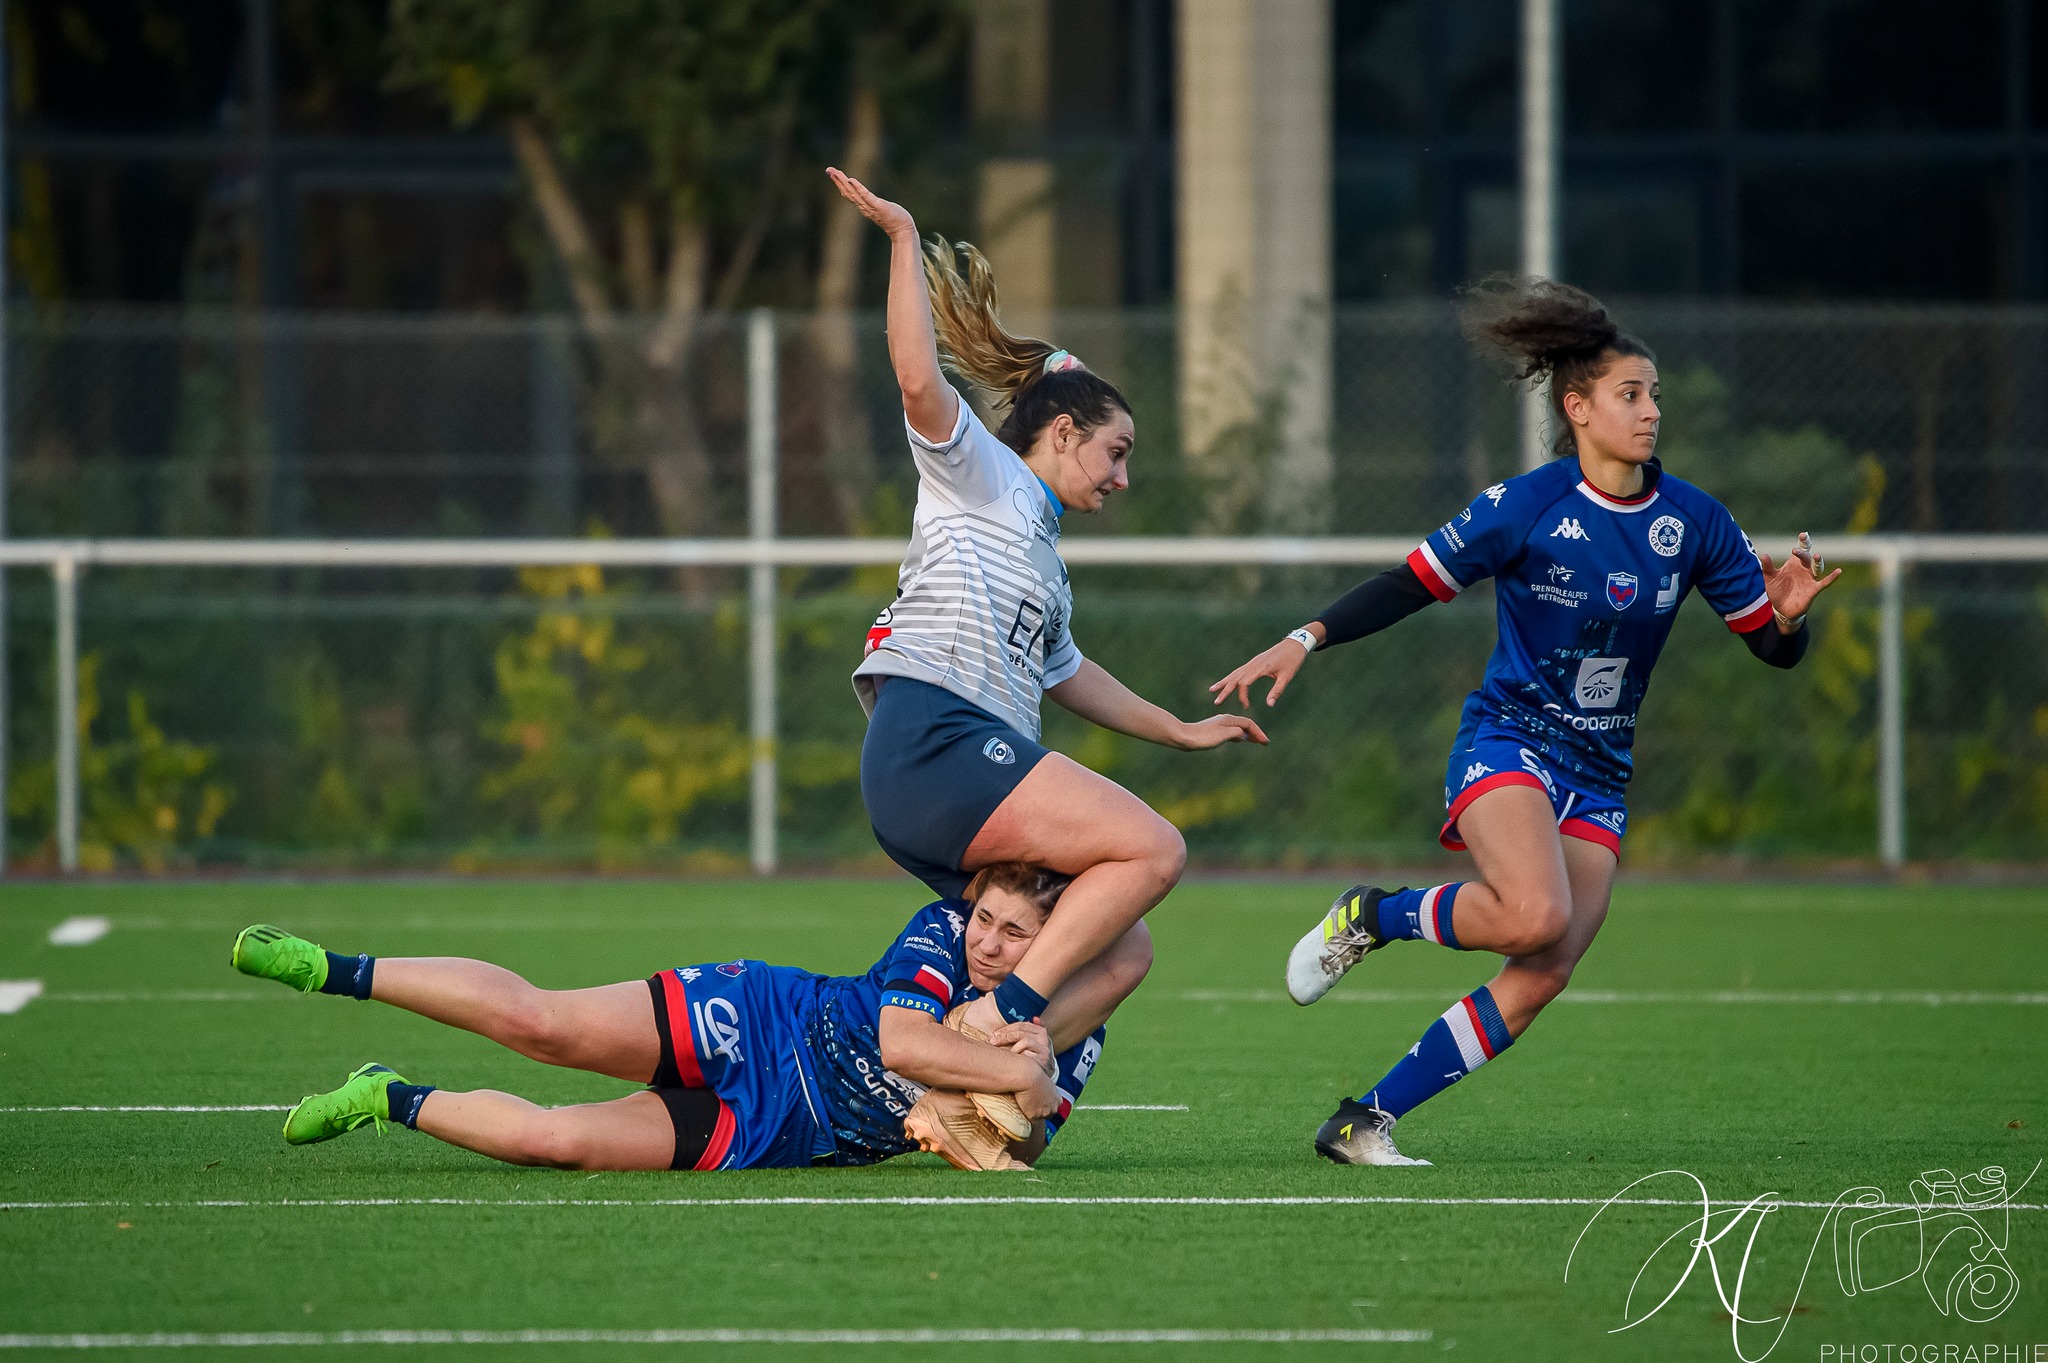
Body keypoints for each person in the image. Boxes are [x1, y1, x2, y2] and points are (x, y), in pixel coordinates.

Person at [1208, 277, 1841, 1166]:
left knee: (1542, 968)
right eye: (1631, 394)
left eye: (1653, 393)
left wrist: (1788, 618)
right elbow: (1409, 584)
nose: (1651, 410)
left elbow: (1771, 654)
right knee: (1536, 911)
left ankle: (1363, 1121)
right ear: (1577, 407)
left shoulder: (1696, 521)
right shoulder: (1527, 504)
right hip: (1510, 740)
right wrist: (1304, 637)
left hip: (1601, 770)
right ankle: (1375, 916)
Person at [827, 166, 1265, 1054]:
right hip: (935, 742)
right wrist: (906, 240)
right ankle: (993, 1021)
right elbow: (918, 382)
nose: (1125, 476)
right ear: (1062, 432)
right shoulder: (982, 475)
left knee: (1121, 947)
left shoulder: (1042, 557)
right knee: (1153, 850)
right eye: (1116, 450)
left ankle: (971, 1083)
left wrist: (1178, 731)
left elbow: (1068, 672)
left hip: (955, 772)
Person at [230, 862, 1110, 1172]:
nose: (989, 942)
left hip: (783, 1132)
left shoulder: (1079, 1027)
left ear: (1055, 939)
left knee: (560, 1143)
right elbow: (898, 1039)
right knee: (545, 1025)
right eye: (987, 918)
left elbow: (1023, 1149)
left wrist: (1010, 1110)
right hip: (766, 1019)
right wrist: (1015, 1073)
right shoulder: (945, 930)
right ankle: (330, 969)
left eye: (1016, 931)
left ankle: (387, 1097)